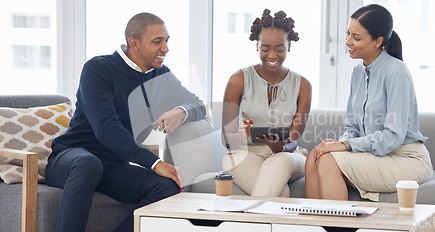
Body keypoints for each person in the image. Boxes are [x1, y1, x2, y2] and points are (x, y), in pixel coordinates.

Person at [45, 12, 206, 232]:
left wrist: (181, 111)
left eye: (167, 41)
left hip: (111, 167)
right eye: (157, 41)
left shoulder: (160, 76)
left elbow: (199, 104)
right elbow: (107, 129)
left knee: (167, 186)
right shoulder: (98, 69)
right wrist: (155, 163)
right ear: (134, 43)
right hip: (71, 160)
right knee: (89, 163)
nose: (166, 48)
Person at [305, 4, 433, 201]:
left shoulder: (396, 71)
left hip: (405, 158)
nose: (348, 41)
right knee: (314, 157)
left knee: (328, 161)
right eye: (348, 33)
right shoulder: (357, 72)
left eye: (356, 37)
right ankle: (317, 227)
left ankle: (338, 228)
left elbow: (393, 136)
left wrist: (346, 145)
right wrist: (339, 143)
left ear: (377, 41)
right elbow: (352, 127)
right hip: (376, 156)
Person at [221, 9, 312, 197]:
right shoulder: (238, 80)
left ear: (289, 47)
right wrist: (240, 135)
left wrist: (281, 148)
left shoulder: (303, 85)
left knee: (278, 162)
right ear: (257, 46)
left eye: (280, 49)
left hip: (288, 156)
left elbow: (294, 139)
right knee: (282, 194)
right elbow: (226, 139)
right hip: (246, 154)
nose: (272, 55)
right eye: (265, 48)